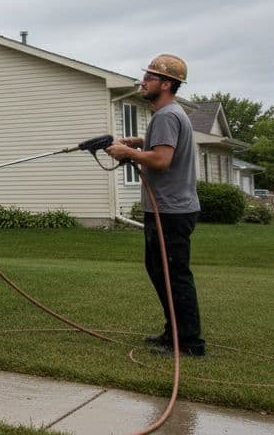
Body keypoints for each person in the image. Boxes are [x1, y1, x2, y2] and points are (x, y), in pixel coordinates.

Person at [105, 54, 206, 357]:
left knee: (174, 275)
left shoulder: (166, 116)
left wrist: (128, 152)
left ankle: (189, 343)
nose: (143, 82)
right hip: (168, 208)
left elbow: (161, 160)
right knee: (161, 272)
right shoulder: (169, 115)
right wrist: (137, 142)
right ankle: (174, 333)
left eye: (149, 78)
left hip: (170, 211)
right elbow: (160, 147)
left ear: (166, 84)